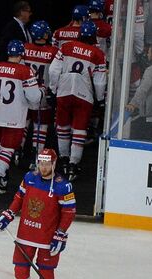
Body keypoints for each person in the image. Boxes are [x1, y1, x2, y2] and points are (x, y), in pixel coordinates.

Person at [0, 147, 76, 279]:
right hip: (26, 233)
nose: (43, 167)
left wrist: (60, 233)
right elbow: (19, 198)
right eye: (41, 163)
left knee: (46, 271)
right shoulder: (29, 178)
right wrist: (8, 214)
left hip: (48, 237)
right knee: (20, 268)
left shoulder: (63, 185)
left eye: (47, 164)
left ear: (54, 164)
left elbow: (69, 212)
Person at [47, 21, 107, 179]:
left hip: (64, 90)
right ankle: (74, 164)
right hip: (84, 93)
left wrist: (53, 89)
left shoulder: (66, 47)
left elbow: (53, 70)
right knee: (80, 130)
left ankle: (64, 159)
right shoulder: (98, 53)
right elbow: (100, 81)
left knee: (62, 126)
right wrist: (100, 100)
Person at [0, 41, 40, 193]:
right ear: (21, 54)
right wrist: (42, 92)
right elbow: (34, 98)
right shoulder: (25, 71)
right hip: (14, 117)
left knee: (2, 148)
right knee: (6, 150)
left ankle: (3, 177)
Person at [22, 21, 60, 156]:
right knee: (41, 124)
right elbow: (56, 72)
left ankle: (18, 149)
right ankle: (36, 153)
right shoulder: (53, 51)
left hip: (25, 91)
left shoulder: (25, 48)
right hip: (43, 92)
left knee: (23, 120)